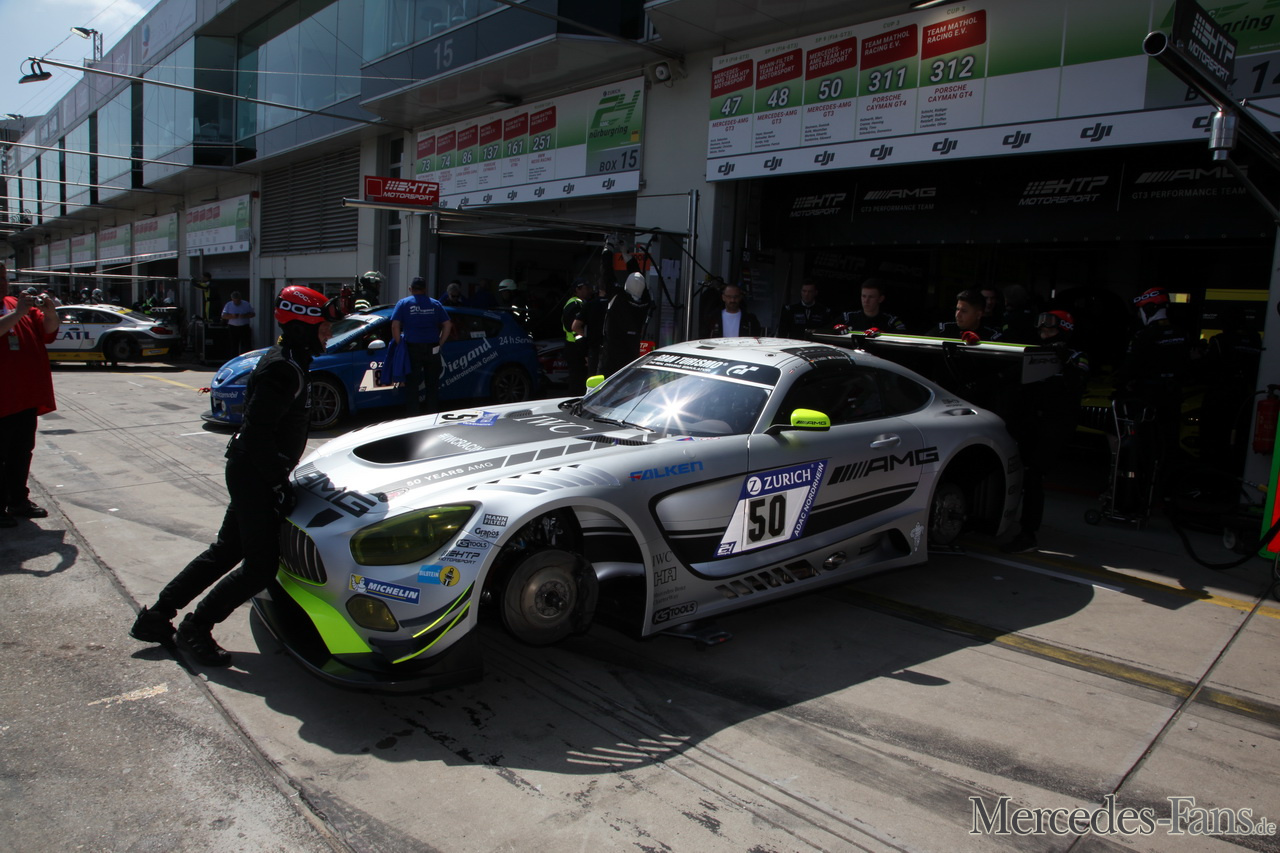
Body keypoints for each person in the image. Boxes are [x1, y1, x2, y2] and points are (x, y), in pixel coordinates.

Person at [129, 286, 351, 665]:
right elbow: (256, 433)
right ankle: (197, 627)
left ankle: (157, 616)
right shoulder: (283, 368)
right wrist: (276, 482)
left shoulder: (291, 361)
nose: (329, 334)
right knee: (260, 568)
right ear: (302, 327)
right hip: (254, 473)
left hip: (251, 469)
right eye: (324, 327)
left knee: (227, 550)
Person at [1001, 310, 1089, 553]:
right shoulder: (1034, 353)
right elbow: (1010, 380)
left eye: (1050, 330)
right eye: (1042, 330)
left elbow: (1078, 384)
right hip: (1028, 422)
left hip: (1054, 426)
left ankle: (1028, 534)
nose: (1045, 335)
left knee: (1034, 476)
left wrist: (1065, 361)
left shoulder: (1077, 357)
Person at [0, 265, 61, 528]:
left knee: (21, 452)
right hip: (2, 399)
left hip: (24, 397)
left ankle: (18, 500)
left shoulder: (15, 304)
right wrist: (17, 314)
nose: (2, 283)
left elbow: (47, 330)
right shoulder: (16, 309)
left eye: (3, 278)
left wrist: (51, 313)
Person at [1113, 287, 1191, 463]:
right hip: (1174, 397)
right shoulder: (1182, 334)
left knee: (1145, 445)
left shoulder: (1143, 335)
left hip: (1148, 398)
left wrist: (1120, 385)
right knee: (1169, 443)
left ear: (1148, 309)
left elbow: (1127, 370)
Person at [391, 277, 453, 415]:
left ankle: (414, 416)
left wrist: (400, 344)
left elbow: (395, 326)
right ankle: (431, 415)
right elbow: (448, 325)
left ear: (410, 289)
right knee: (432, 384)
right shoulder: (435, 304)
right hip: (433, 348)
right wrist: (440, 343)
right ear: (425, 289)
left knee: (412, 385)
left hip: (412, 348)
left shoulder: (403, 303)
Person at [600, 272, 653, 375]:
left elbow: (608, 277)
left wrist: (607, 260)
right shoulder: (645, 303)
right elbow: (639, 283)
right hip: (631, 357)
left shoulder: (618, 298)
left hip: (612, 356)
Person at [560, 279, 591, 392]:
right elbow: (575, 330)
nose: (589, 291)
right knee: (577, 380)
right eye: (586, 288)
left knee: (579, 379)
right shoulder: (574, 305)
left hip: (575, 346)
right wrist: (585, 352)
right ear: (577, 289)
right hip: (575, 347)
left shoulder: (580, 303)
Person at [842, 279, 907, 332]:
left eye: (871, 297)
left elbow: (903, 335)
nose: (866, 301)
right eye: (864, 296)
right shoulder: (847, 318)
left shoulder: (891, 321)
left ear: (881, 299)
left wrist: (881, 334)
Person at [937, 289, 1003, 341]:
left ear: (978, 314)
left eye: (964, 311)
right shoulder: (943, 330)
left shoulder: (992, 337)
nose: (957, 315)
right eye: (957, 309)